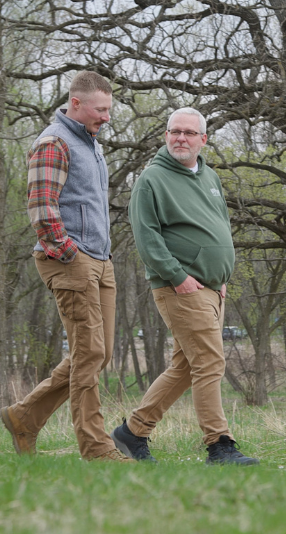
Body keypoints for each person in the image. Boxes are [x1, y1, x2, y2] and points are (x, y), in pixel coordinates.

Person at [111, 107, 259, 466]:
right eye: (175, 131)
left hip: (213, 288)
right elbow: (146, 237)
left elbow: (220, 224)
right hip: (180, 287)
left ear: (202, 139)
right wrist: (178, 277)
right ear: (166, 136)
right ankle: (219, 445)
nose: (181, 138)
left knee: (186, 368)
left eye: (189, 133)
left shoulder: (209, 177)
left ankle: (132, 432)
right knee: (210, 362)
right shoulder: (152, 179)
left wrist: (221, 277)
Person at [0, 71, 131, 463]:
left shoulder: (90, 142)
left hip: (100, 260)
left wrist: (98, 256)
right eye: (100, 109)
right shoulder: (54, 141)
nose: (106, 116)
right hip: (72, 259)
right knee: (89, 354)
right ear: (76, 103)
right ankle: (96, 448)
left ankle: (24, 416)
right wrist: (68, 252)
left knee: (97, 353)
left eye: (109, 109)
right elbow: (42, 207)